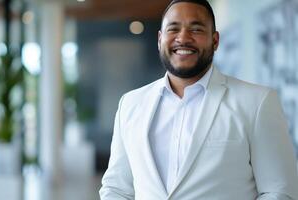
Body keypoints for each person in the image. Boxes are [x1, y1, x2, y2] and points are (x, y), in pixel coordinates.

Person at [99, 0, 298, 199]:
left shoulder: (257, 102)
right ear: (160, 39)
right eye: (173, 28)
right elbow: (116, 188)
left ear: (215, 41)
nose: (183, 38)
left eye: (196, 29)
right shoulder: (130, 104)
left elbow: (279, 192)